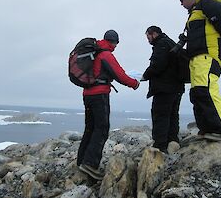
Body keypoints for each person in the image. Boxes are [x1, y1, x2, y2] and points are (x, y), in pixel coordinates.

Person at [178, 0, 221, 141]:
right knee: (197, 93)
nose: (181, 4)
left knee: (207, 89)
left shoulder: (207, 4)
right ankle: (206, 128)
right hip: (197, 58)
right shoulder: (194, 13)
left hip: (208, 55)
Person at [77, 29, 140, 180]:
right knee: (102, 128)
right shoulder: (106, 54)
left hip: (88, 94)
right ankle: (90, 164)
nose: (116, 46)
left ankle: (81, 161)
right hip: (100, 95)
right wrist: (134, 83)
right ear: (114, 41)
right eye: (116, 43)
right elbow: (119, 74)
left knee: (90, 128)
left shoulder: (94, 52)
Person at [141, 26, 185, 153]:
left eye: (148, 36)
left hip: (165, 88)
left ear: (154, 34)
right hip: (177, 87)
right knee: (172, 114)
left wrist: (145, 75)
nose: (148, 39)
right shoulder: (170, 42)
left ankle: (160, 146)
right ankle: (173, 141)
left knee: (160, 115)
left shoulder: (161, 44)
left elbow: (158, 65)